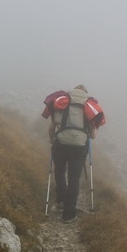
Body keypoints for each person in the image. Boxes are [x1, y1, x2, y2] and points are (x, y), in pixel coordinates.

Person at [45, 85, 98, 222]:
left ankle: (61, 200)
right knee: (74, 178)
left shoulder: (63, 103)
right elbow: (93, 136)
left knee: (60, 171)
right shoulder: (88, 107)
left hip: (61, 144)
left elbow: (52, 128)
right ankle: (69, 214)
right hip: (79, 148)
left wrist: (52, 141)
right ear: (85, 94)